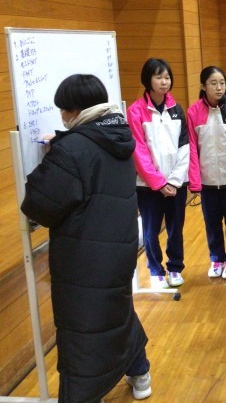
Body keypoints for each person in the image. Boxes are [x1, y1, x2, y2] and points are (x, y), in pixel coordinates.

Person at [21, 74, 151, 402]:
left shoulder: (72, 149)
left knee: (84, 330)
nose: (62, 116)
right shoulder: (119, 134)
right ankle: (140, 371)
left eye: (64, 109)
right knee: (116, 311)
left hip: (85, 257)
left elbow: (39, 204)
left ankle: (83, 395)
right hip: (119, 247)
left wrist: (55, 153)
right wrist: (64, 143)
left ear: (75, 109)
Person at [127, 58, 189, 290]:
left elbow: (185, 147)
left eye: (167, 77)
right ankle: (155, 270)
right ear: (148, 79)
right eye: (159, 77)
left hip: (176, 183)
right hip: (147, 185)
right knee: (151, 230)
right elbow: (139, 152)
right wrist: (159, 182)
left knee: (175, 228)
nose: (164, 82)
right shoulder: (135, 111)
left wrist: (174, 180)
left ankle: (175, 267)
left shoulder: (176, 109)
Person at [188, 66, 226, 280]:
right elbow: (192, 150)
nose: (219, 87)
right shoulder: (193, 112)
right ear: (203, 86)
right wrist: (195, 181)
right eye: (213, 83)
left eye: (222, 83)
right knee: (212, 223)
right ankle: (216, 259)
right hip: (208, 182)